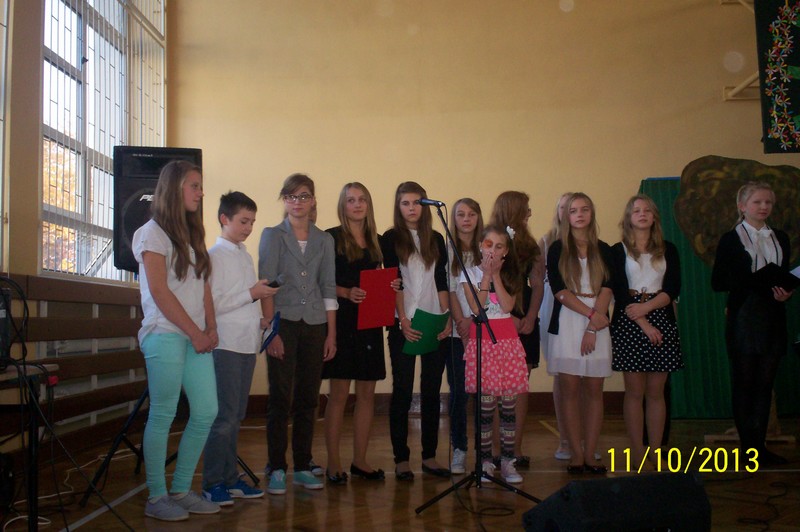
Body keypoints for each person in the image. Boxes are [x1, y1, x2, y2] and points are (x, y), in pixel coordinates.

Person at [132, 160, 220, 521]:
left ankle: (181, 489)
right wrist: (196, 333)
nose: (200, 193)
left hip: (195, 337)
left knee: (206, 410)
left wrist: (210, 328)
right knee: (164, 412)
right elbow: (159, 291)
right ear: (174, 189)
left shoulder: (193, 236)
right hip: (165, 334)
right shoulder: (151, 233)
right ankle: (157, 497)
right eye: (194, 186)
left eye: (200, 186)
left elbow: (204, 289)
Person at [259, 173, 337, 494]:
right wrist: (271, 332)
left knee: (308, 397)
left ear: (313, 200)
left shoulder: (324, 240)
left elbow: (328, 287)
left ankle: (303, 465)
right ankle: (277, 466)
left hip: (316, 324)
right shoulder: (272, 235)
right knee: (280, 396)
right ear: (284, 200)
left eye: (303, 196)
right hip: (284, 322)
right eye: (291, 196)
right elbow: (266, 285)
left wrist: (331, 334)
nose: (297, 202)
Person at [201, 191, 278, 505]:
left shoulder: (244, 255)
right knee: (224, 417)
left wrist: (259, 320)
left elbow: (244, 298)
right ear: (224, 219)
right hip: (226, 345)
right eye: (243, 221)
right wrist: (252, 294)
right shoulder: (213, 257)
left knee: (236, 416)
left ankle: (230, 479)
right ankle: (212, 483)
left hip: (246, 343)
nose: (249, 227)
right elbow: (212, 305)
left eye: (252, 222)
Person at [711, 182, 793, 466]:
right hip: (745, 314)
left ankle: (760, 446)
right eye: (757, 202)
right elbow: (718, 281)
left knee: (765, 384)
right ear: (742, 206)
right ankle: (749, 449)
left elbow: (783, 275)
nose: (763, 207)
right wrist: (754, 280)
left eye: (768, 202)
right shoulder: (731, 239)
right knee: (745, 382)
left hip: (773, 314)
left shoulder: (779, 237)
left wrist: (786, 291)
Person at [380, 181, 452, 480]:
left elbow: (441, 280)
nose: (411, 208)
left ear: (425, 206)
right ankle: (401, 459)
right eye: (405, 203)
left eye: (417, 203)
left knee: (432, 390)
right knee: (402, 390)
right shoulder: (390, 238)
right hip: (405, 322)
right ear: (398, 207)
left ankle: (430, 456)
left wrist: (447, 317)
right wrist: (402, 319)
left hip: (433, 319)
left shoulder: (436, 238)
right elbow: (393, 280)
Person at [323, 182, 392, 484]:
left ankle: (360, 461)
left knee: (366, 394)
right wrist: (345, 292)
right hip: (340, 321)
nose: (357, 204)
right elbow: (322, 282)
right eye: (351, 200)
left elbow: (380, 280)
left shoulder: (377, 241)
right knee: (339, 394)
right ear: (343, 205)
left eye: (362, 199)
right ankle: (333, 463)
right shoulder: (330, 238)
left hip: (370, 322)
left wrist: (390, 286)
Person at [610, 194, 683, 468]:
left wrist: (649, 309)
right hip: (629, 320)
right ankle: (637, 450)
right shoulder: (618, 251)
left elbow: (672, 287)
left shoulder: (668, 249)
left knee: (656, 391)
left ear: (654, 217)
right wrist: (643, 321)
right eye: (636, 211)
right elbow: (619, 290)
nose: (642, 214)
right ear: (629, 218)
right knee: (634, 391)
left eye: (647, 210)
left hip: (661, 316)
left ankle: (656, 449)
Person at [546, 192, 613, 474]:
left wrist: (593, 325)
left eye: (585, 209)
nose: (580, 215)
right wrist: (589, 316)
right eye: (574, 210)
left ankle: (590, 453)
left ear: (591, 214)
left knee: (595, 390)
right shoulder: (557, 249)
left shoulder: (605, 249)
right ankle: (575, 453)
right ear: (566, 216)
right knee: (570, 389)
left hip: (597, 323)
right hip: (569, 322)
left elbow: (608, 288)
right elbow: (559, 290)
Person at [461, 225, 529, 483]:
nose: (492, 250)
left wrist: (496, 276)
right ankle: (485, 462)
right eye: (488, 244)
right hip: (483, 345)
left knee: (509, 409)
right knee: (485, 410)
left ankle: (508, 462)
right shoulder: (469, 273)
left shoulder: (511, 274)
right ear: (480, 245)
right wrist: (485, 277)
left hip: (507, 344)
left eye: (499, 246)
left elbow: (508, 305)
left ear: (506, 251)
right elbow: (477, 308)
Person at [489, 191, 543, 468]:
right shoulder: (491, 241)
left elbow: (538, 284)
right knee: (497, 388)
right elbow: (485, 284)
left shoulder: (531, 245)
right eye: (526, 208)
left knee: (520, 387)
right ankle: (496, 449)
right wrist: (505, 317)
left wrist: (531, 316)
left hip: (525, 320)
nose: (529, 213)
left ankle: (515, 448)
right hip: (498, 318)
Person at [446, 198, 484, 474]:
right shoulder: (448, 249)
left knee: (483, 393)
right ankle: (459, 448)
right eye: (461, 214)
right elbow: (450, 290)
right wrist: (461, 322)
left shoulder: (486, 248)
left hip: (481, 328)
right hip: (457, 332)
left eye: (472, 214)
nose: (466, 219)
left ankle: (485, 451)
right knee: (459, 392)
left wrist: (473, 321)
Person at [539, 193, 572, 460]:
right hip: (553, 307)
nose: (568, 212)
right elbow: (539, 282)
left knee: (584, 377)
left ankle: (584, 439)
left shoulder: (592, 243)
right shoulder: (546, 241)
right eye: (563, 207)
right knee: (562, 375)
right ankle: (565, 439)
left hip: (584, 309)